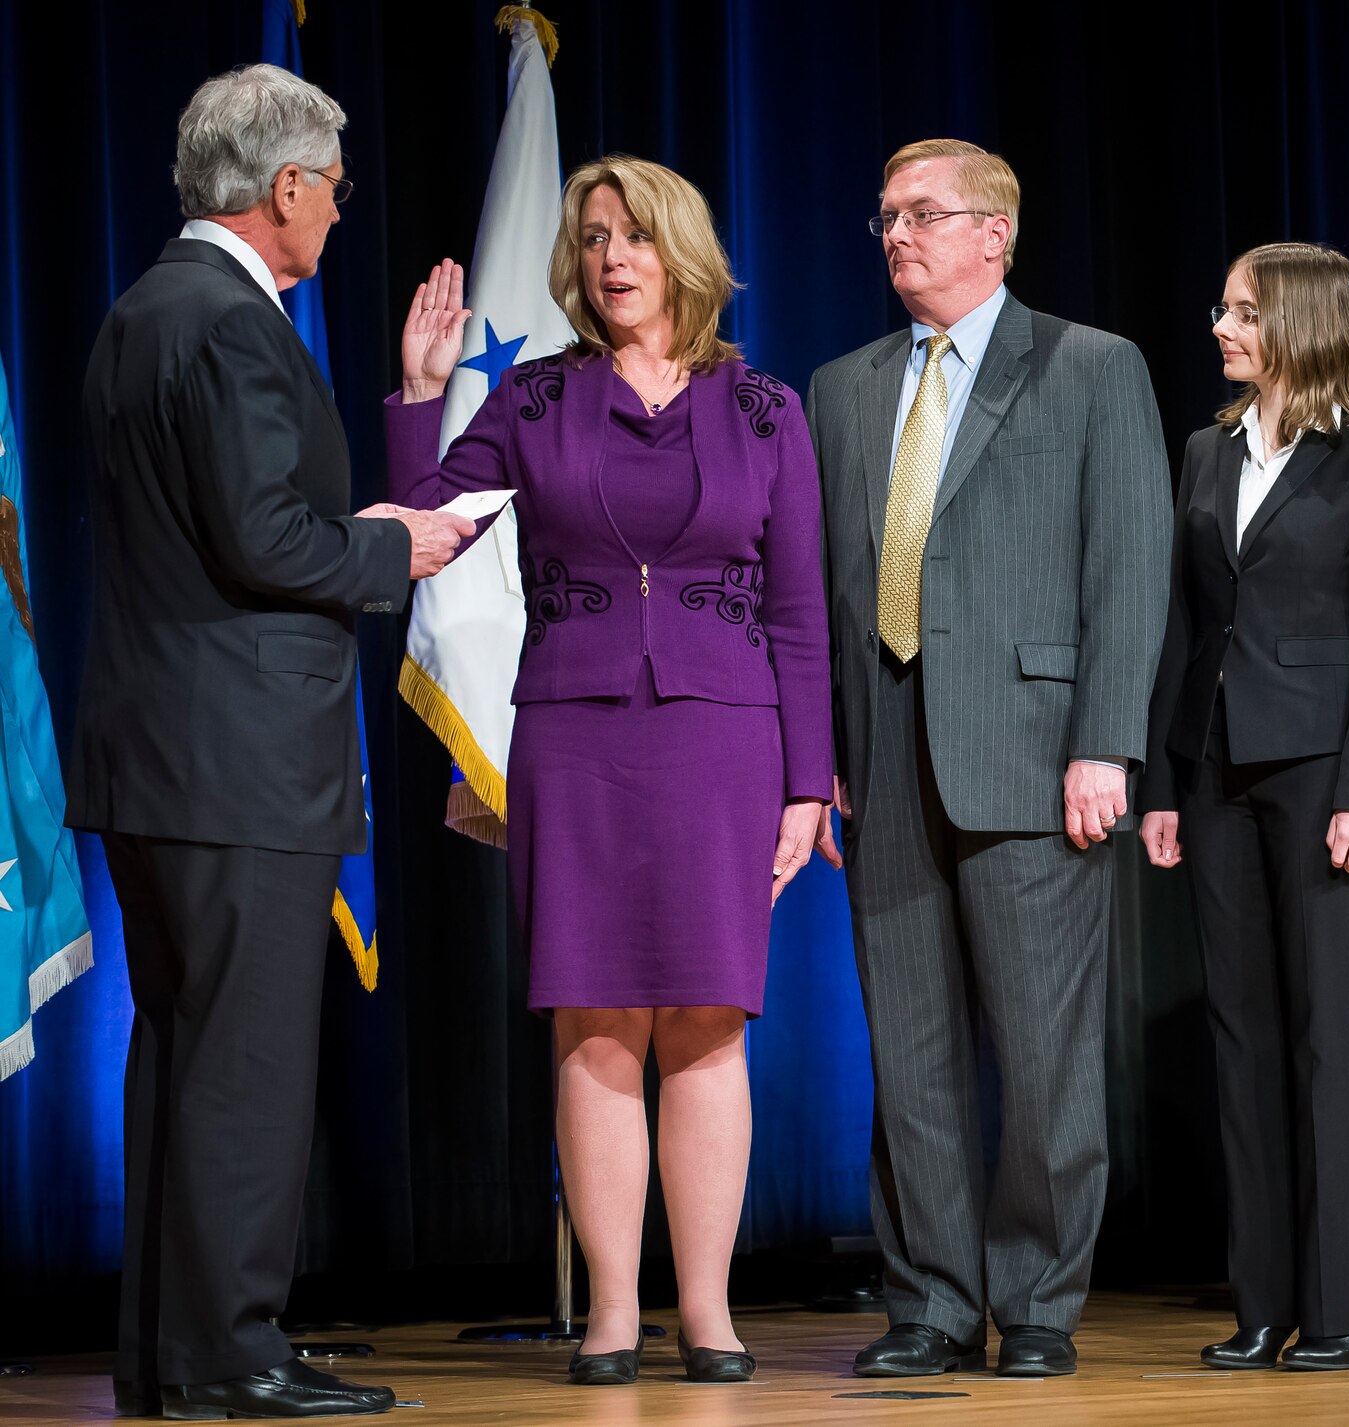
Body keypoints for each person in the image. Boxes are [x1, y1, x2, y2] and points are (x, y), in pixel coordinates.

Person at [383, 156, 833, 1386]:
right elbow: (425, 524)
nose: (609, 256)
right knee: (591, 1025)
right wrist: (422, 396)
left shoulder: (764, 410)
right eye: (591, 238)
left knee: (703, 1021)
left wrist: (811, 780)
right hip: (576, 735)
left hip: (724, 736)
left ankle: (708, 1312)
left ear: (680, 251)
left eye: (631, 235)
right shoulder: (533, 401)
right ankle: (613, 1313)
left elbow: (798, 610)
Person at [69, 65, 471, 1420]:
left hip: (156, 753)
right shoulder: (233, 326)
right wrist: (393, 541)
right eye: (337, 191)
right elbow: (263, 541)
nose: (343, 215)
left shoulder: (141, 312)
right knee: (237, 1065)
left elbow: (211, 530)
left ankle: (170, 1347)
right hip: (236, 760)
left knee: (181, 1056)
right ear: (287, 188)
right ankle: (238, 1349)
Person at [807, 139, 1170, 1379]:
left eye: (922, 213)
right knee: (905, 1052)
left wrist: (1107, 744)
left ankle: (1040, 1301)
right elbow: (818, 592)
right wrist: (823, 756)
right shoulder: (841, 387)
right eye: (886, 214)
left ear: (993, 233)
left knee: (1041, 1048)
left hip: (1032, 752)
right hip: (886, 760)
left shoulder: (1086, 366)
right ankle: (928, 1300)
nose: (897, 233)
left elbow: (1128, 568)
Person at [1138, 244, 1349, 1371]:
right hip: (1214, 772)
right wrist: (1163, 781)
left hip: (1319, 780)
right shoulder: (1205, 449)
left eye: (1244, 310)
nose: (1221, 324)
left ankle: (1344, 1299)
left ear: (1302, 324)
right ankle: (1261, 1299)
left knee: (1325, 1034)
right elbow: (1180, 625)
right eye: (1222, 306)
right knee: (1240, 1033)